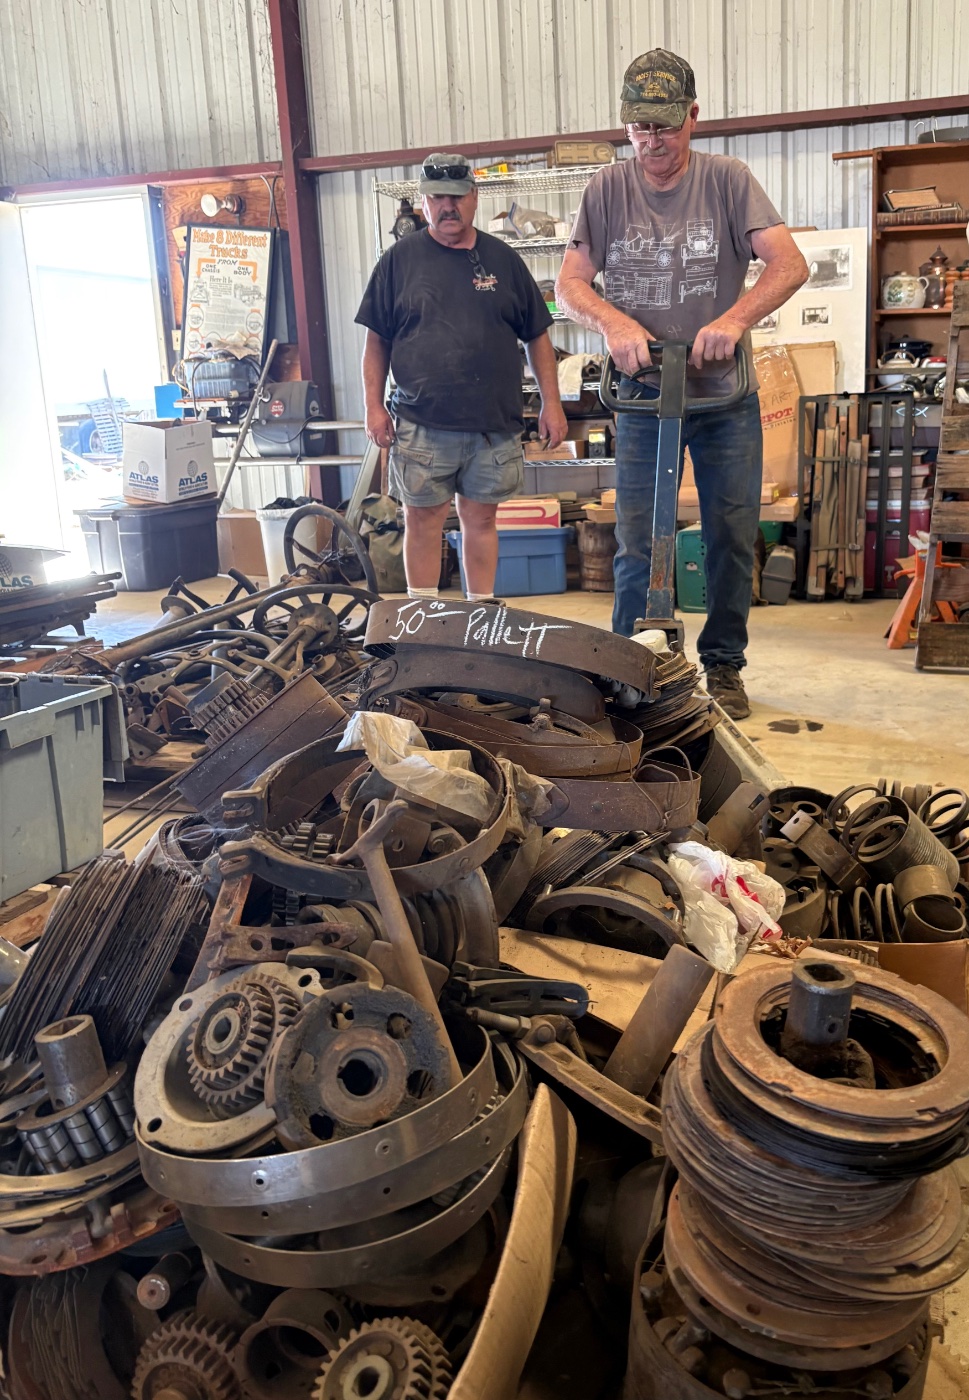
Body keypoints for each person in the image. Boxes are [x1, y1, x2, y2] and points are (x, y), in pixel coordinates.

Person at [556, 50, 808, 718]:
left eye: (664, 125)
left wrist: (733, 319)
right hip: (642, 395)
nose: (652, 141)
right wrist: (612, 323)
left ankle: (723, 664)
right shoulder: (606, 190)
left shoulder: (728, 180)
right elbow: (569, 284)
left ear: (692, 116)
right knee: (637, 539)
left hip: (723, 395)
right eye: (639, 126)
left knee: (730, 535)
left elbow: (788, 264)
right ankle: (627, 665)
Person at [356, 152, 568, 602]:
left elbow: (537, 336)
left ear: (474, 197)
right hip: (421, 421)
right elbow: (376, 342)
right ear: (423, 201)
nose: (447, 207)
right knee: (422, 519)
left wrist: (552, 402)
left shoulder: (504, 260)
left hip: (492, 424)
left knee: (482, 519)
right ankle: (423, 616)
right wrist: (373, 406)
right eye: (437, 197)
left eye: (456, 197)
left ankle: (481, 610)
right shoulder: (397, 262)